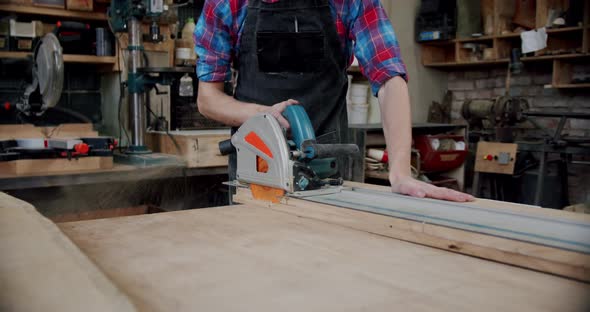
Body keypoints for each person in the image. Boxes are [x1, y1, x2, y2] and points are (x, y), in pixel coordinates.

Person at [195, 0, 474, 202]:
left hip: (325, 173)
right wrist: (263, 114)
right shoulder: (226, 3)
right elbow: (208, 98)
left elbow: (389, 76)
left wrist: (399, 171)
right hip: (257, 171)